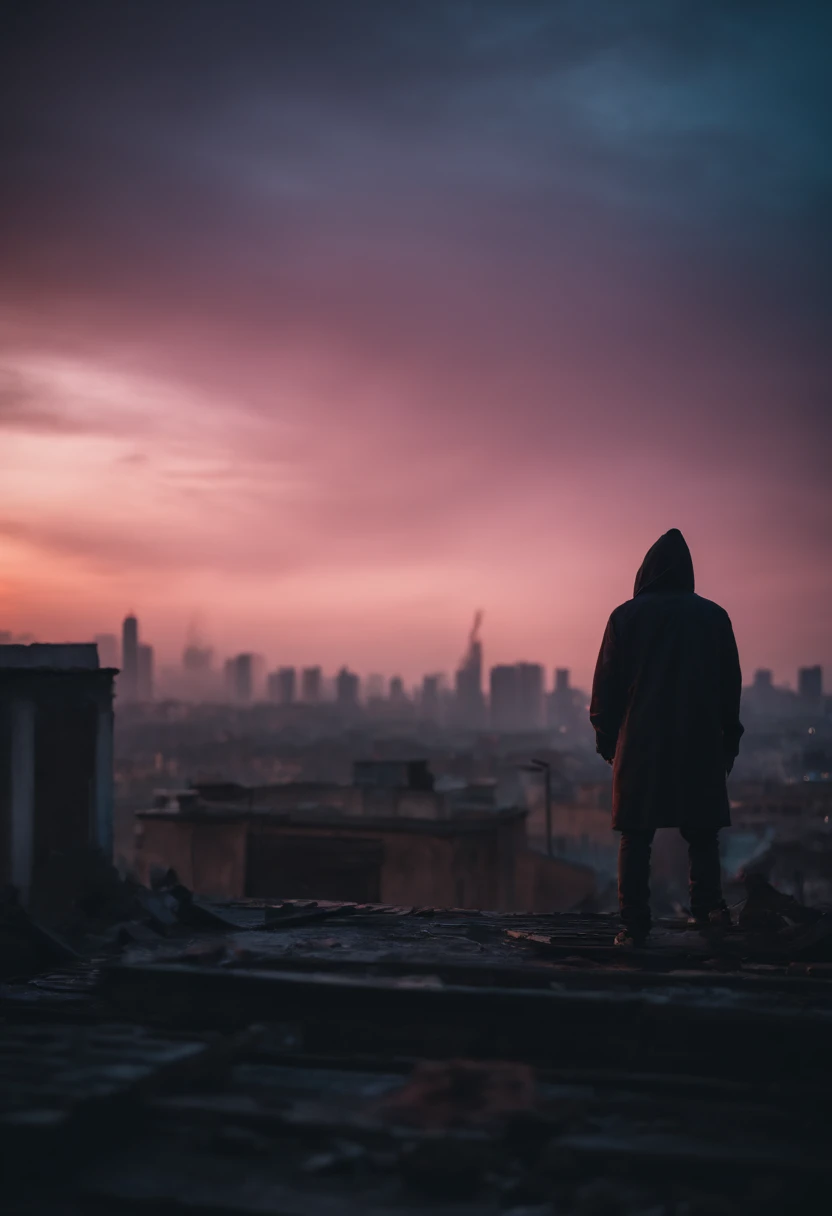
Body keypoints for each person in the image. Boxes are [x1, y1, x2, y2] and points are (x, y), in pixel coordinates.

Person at [590, 529, 743, 946]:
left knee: (636, 837)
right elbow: (730, 690)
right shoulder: (715, 617)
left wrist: (609, 746)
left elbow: (605, 692)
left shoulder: (625, 618)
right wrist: (728, 744)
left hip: (640, 745)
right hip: (700, 744)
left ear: (646, 573)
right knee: (702, 834)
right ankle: (708, 913)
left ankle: (635, 925)